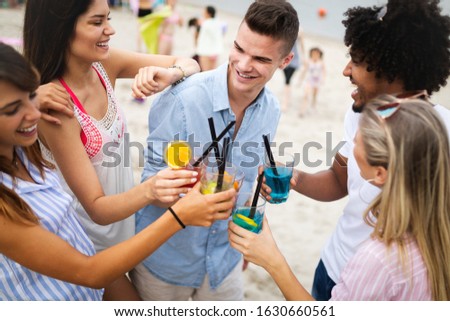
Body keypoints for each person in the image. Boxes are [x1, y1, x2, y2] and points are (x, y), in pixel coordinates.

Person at [0, 42, 236, 301]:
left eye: (32, 97)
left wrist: (34, 94)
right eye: (13, 109)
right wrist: (178, 216)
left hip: (105, 254)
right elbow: (89, 271)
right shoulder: (49, 124)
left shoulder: (21, 151)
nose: (34, 114)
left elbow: (82, 248)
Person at [272, 0, 450, 300]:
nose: (345, 70)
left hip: (389, 285)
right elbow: (339, 180)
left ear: (389, 67)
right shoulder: (358, 113)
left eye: (355, 60)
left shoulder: (442, 130)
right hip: (333, 268)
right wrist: (292, 177)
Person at [23, 0, 200, 300]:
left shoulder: (105, 65)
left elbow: (190, 62)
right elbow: (97, 208)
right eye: (97, 22)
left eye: (108, 17)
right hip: (90, 244)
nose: (111, 29)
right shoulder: (57, 108)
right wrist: (152, 190)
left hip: (126, 225)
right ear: (62, 29)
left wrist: (171, 74)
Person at [130, 0, 299, 300]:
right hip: (167, 261)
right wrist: (177, 187)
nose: (243, 65)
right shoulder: (184, 99)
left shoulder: (271, 109)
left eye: (260, 58)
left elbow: (248, 181)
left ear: (285, 62)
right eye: (239, 49)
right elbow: (148, 184)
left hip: (225, 261)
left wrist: (247, 237)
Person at [229, 94, 450, 300]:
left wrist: (273, 261)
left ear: (380, 173)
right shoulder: (436, 237)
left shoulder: (379, 259)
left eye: (357, 140)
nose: (350, 142)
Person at [281, 31, 304, 112]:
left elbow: (301, 46)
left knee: (287, 81)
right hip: (284, 58)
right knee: (287, 81)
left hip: (294, 59)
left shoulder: (300, 31)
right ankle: (286, 102)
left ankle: (285, 103)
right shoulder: (284, 29)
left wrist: (303, 58)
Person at [298, 47, 325, 117]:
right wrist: (300, 79)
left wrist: (323, 79)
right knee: (306, 95)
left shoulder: (321, 63)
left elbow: (324, 71)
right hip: (309, 81)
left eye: (317, 54)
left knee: (314, 95)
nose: (315, 55)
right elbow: (304, 71)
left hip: (317, 81)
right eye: (314, 54)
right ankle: (302, 111)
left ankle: (313, 106)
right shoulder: (309, 62)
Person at [196, 5, 224, 71]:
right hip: (215, 52)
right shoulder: (217, 23)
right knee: (213, 73)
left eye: (204, 11)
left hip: (205, 52)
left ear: (208, 13)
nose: (203, 13)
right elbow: (218, 37)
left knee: (205, 72)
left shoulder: (206, 23)